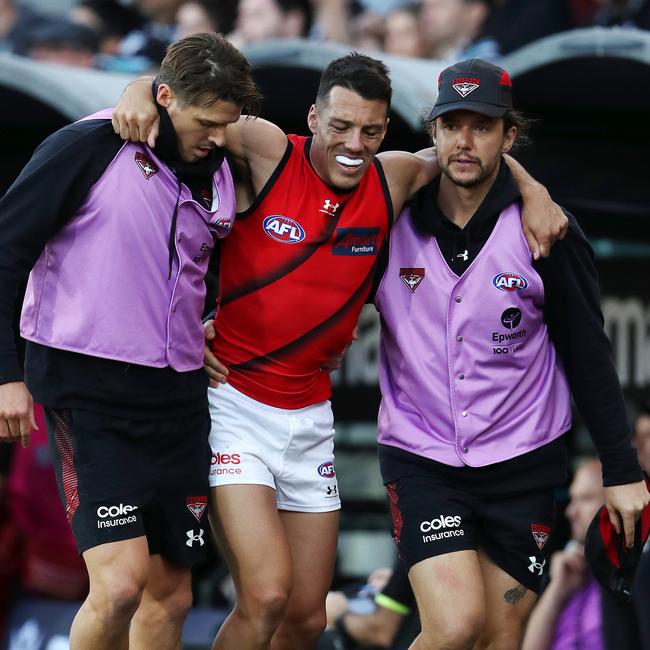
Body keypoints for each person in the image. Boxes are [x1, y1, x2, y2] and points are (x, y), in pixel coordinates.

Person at [112, 50, 566, 650]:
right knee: (267, 594)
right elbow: (191, 106)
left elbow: (472, 160)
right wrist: (142, 89)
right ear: (312, 118)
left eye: (371, 131)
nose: (355, 143)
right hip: (233, 404)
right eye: (340, 127)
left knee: (304, 619)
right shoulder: (269, 149)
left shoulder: (395, 176)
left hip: (309, 417)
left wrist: (534, 192)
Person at [373, 58, 650, 649]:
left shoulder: (547, 230)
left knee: (499, 637)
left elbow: (589, 355)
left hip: (524, 462)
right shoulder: (389, 218)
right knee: (453, 627)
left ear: (509, 135)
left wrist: (621, 471)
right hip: (423, 458)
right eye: (452, 125)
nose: (464, 142)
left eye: (482, 126)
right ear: (433, 132)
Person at [0, 32, 260, 650]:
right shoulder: (89, 145)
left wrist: (198, 320)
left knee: (171, 595)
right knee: (118, 587)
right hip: (89, 392)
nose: (219, 138)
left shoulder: (223, 167)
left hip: (177, 399)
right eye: (206, 122)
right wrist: (5, 374)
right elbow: (6, 253)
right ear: (164, 97)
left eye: (229, 124)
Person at [522, 459, 605, 650]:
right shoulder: (572, 570)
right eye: (572, 500)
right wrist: (557, 589)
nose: (570, 512)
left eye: (584, 499)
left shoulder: (631, 574)